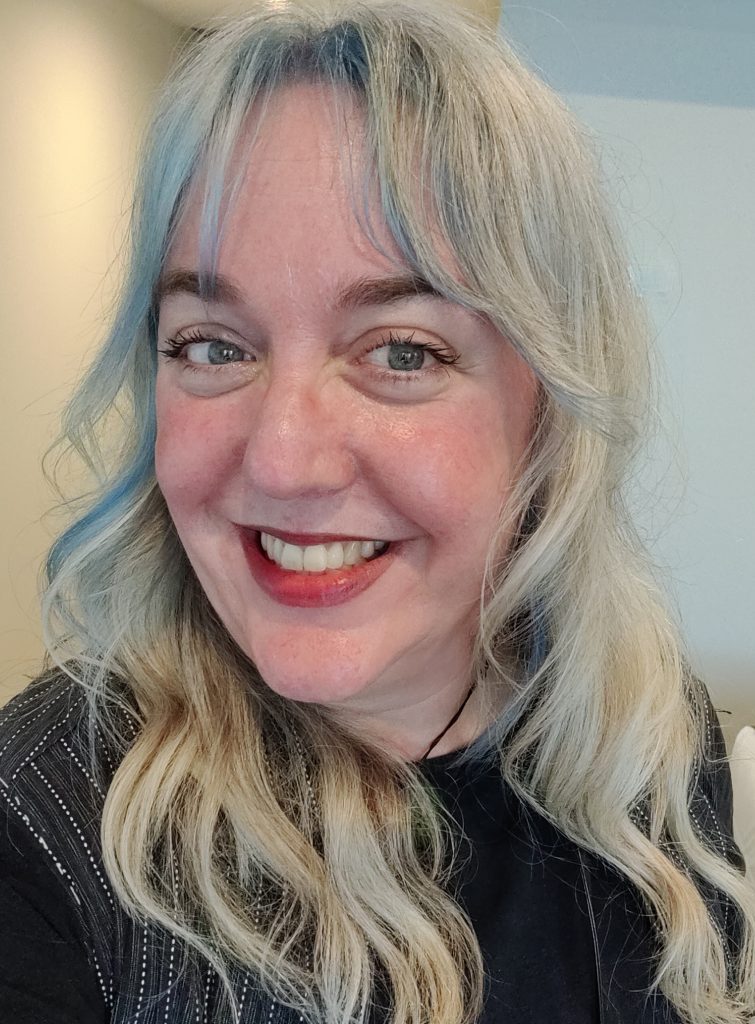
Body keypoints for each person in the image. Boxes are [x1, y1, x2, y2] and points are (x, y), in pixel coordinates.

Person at [1, 2, 753, 1022]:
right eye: (213, 345)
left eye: (401, 351)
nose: (281, 459)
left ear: (546, 405)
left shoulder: (640, 731)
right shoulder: (45, 832)